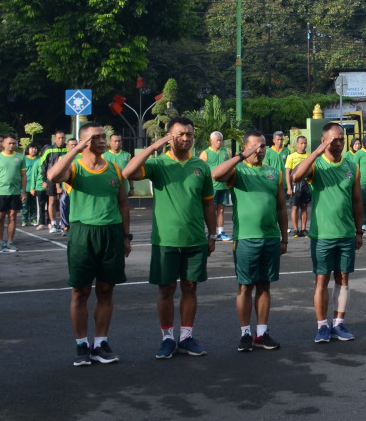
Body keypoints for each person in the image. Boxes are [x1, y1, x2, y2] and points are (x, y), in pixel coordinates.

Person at [123, 118, 215, 359]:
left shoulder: (201, 167)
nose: (186, 138)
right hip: (165, 240)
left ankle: (186, 337)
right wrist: (153, 148)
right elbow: (128, 172)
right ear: (170, 137)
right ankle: (167, 338)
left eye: (190, 134)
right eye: (181, 134)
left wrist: (212, 234)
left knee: (190, 287)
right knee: (166, 290)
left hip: (195, 239)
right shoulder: (158, 163)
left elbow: (208, 204)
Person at [45, 122, 130, 366]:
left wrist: (126, 236)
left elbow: (123, 203)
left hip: (111, 234)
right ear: (84, 142)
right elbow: (52, 176)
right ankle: (81, 344)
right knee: (80, 291)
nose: (103, 141)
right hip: (83, 233)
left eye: (104, 137)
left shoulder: (114, 167)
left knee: (106, 290)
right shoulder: (75, 168)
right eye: (96, 137)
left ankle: (100, 343)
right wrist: (75, 149)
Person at [210, 129, 288, 351]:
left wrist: (284, 238)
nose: (259, 150)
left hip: (270, 238)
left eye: (262, 146)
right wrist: (241, 157)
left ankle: (261, 333)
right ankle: (245, 333)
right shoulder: (238, 171)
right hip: (245, 239)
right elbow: (216, 174)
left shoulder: (275, 173)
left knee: (265, 286)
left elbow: (281, 207)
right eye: (254, 146)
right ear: (244, 148)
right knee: (245, 287)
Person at [290, 123, 364, 343]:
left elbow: (357, 201)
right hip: (322, 235)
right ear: (324, 141)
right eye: (334, 140)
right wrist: (316, 152)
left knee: (343, 278)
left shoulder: (352, 166)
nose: (339, 143)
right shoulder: (317, 165)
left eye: (341, 139)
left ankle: (339, 323)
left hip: (346, 234)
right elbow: (296, 176)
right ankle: (322, 326)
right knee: (321, 280)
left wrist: (359, 231)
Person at [0, 134, 28, 253]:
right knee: (0, 217)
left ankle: (10, 242)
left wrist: (23, 192)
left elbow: (23, 176)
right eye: (9, 143)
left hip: (15, 193)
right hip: (1, 192)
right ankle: (0, 243)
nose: (11, 146)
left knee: (13, 217)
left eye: (14, 143)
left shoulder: (20, 157)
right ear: (4, 144)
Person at [201, 131, 233, 242]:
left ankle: (220, 232)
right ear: (211, 141)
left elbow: (231, 167)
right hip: (211, 187)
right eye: (217, 140)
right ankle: (212, 232)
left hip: (223, 186)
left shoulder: (226, 152)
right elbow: (200, 170)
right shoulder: (205, 153)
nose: (219, 142)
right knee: (211, 210)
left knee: (221, 210)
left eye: (220, 140)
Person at [286, 134, 312, 238]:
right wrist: (289, 187)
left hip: (305, 183)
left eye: (305, 143)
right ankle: (296, 229)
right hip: (295, 184)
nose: (303, 145)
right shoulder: (291, 156)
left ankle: (304, 229)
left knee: (304, 207)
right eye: (301, 143)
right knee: (295, 207)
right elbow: (288, 172)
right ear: (297, 144)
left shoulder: (309, 156)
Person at [43, 130, 69, 234]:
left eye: (63, 138)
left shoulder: (67, 149)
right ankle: (53, 222)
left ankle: (64, 222)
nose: (61, 140)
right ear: (55, 139)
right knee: (52, 200)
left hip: (65, 178)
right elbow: (43, 165)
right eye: (59, 138)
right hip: (52, 178)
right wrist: (44, 180)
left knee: (65, 201)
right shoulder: (49, 150)